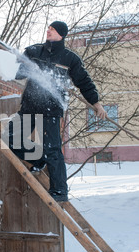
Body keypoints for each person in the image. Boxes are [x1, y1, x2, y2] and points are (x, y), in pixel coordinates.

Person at [9, 21, 107, 202]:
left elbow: (84, 82)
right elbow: (17, 73)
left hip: (51, 108)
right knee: (10, 137)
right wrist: (24, 67)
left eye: (52, 29)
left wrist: (96, 103)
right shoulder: (33, 51)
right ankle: (38, 159)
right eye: (48, 28)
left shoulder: (70, 59)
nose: (48, 30)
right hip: (30, 106)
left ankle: (60, 190)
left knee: (52, 148)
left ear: (61, 34)